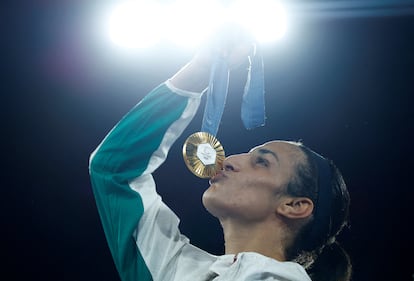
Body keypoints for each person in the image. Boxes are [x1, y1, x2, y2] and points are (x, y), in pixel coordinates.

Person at [89, 29, 352, 281]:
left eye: (262, 162)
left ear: (295, 206)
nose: (228, 161)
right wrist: (200, 71)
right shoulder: (176, 271)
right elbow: (114, 169)